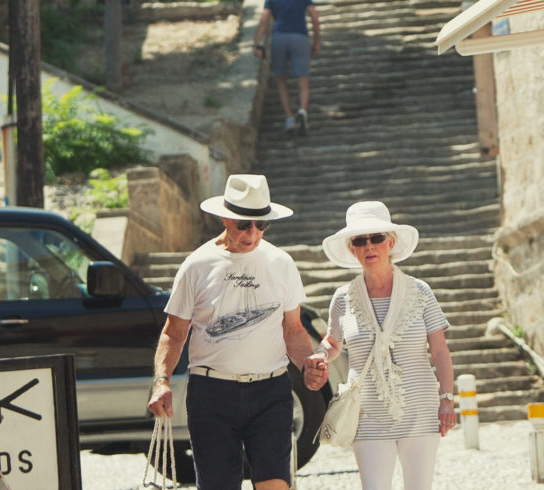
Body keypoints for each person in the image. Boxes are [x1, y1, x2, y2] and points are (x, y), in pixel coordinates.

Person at [147, 174, 326, 490]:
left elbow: (294, 330)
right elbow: (173, 334)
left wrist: (308, 364)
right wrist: (161, 381)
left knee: (274, 485)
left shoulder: (280, 263)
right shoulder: (197, 265)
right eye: (245, 224)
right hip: (212, 394)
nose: (253, 233)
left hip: (270, 391)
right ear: (225, 217)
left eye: (262, 225)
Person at [305, 201, 458, 490]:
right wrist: (320, 355)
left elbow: (439, 350)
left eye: (376, 238)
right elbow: (333, 342)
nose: (369, 246)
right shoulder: (343, 297)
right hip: (367, 414)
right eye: (360, 240)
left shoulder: (420, 291)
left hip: (420, 410)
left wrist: (447, 398)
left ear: (390, 242)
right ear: (352, 248)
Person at [253, 0, 320, 136]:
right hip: (299, 37)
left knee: (281, 79)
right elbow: (314, 17)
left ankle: (289, 118)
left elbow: (264, 20)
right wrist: (316, 42)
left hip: (279, 38)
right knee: (303, 81)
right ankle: (302, 111)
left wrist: (257, 44)